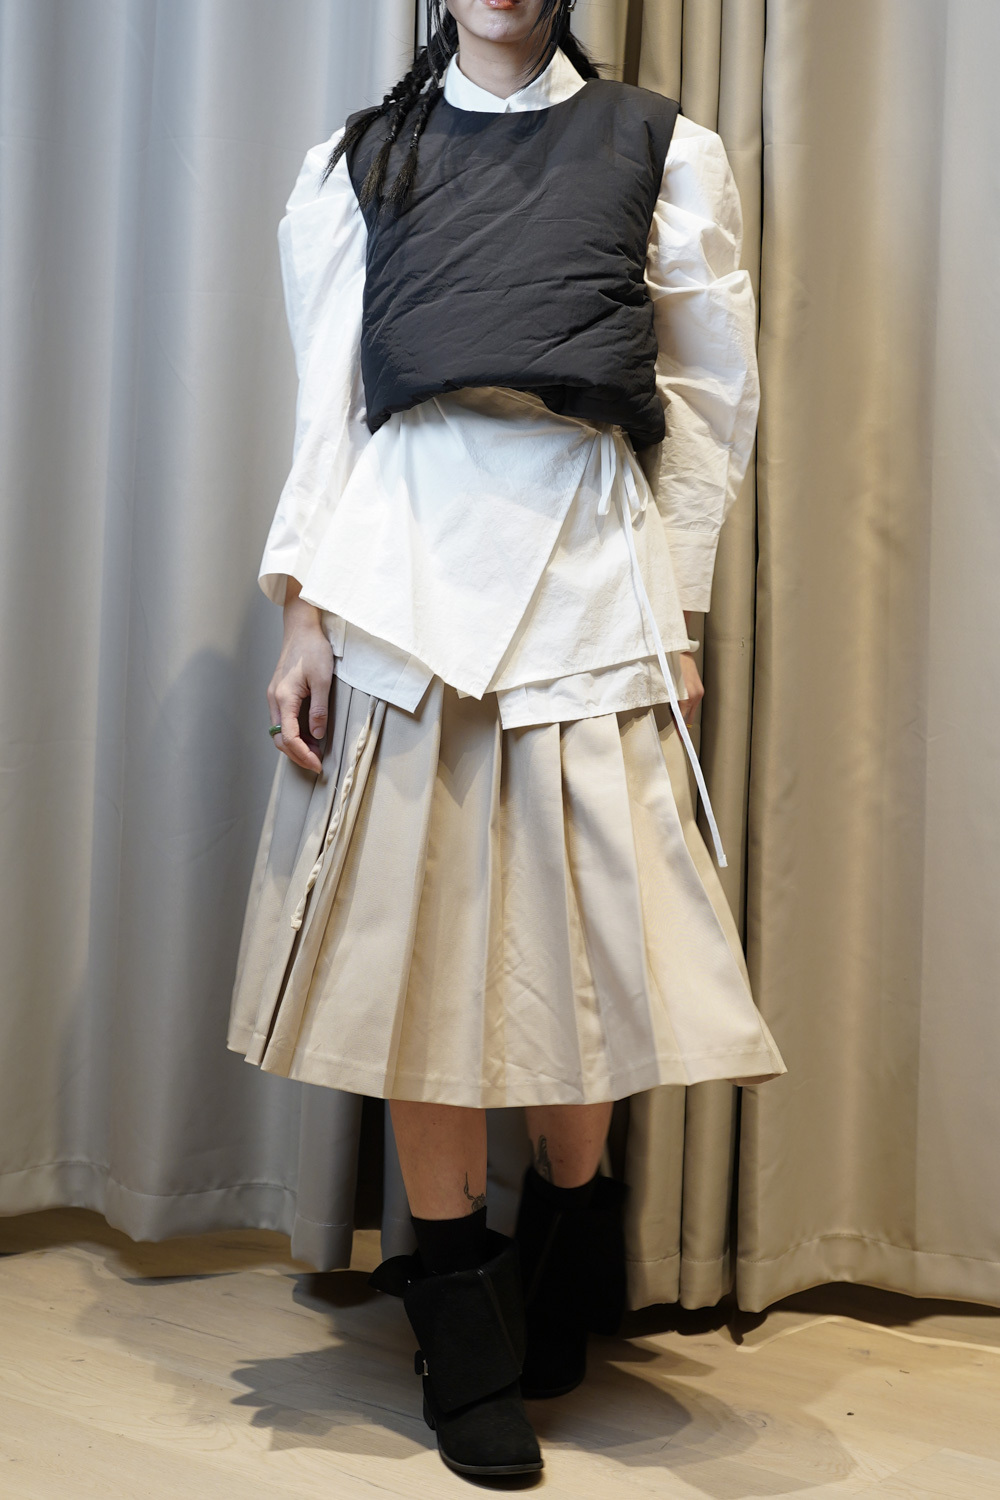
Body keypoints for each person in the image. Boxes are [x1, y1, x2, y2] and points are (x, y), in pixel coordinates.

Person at [227, 0, 786, 1481]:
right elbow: (330, 411)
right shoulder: (360, 158)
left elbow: (705, 402)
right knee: (414, 958)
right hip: (405, 572)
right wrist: (303, 615)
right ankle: (462, 1330)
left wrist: (674, 609)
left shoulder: (663, 147)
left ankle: (564, 1250)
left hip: (591, 569)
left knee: (581, 949)